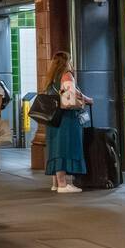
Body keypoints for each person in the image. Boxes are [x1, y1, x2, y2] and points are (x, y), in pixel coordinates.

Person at [44, 50, 91, 194]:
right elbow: (68, 103)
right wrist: (82, 104)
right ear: (67, 61)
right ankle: (63, 184)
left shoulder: (50, 79)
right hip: (67, 120)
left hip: (53, 120)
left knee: (56, 149)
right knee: (64, 149)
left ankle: (56, 183)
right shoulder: (67, 75)